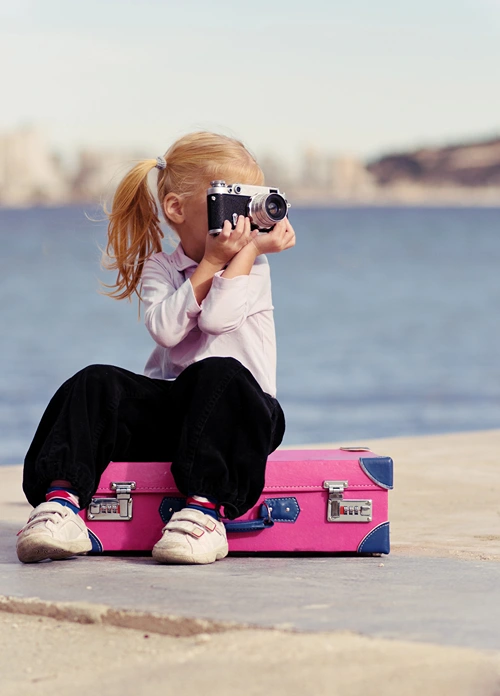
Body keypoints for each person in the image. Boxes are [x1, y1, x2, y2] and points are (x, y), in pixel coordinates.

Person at [16, 131, 296, 565]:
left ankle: (205, 512)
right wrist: (210, 263)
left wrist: (243, 253)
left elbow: (218, 320)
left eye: (252, 203)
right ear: (176, 209)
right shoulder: (161, 267)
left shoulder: (254, 265)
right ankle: (62, 503)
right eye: (230, 202)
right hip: (177, 416)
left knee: (218, 372)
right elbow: (166, 330)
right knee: (95, 381)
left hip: (242, 417)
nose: (244, 219)